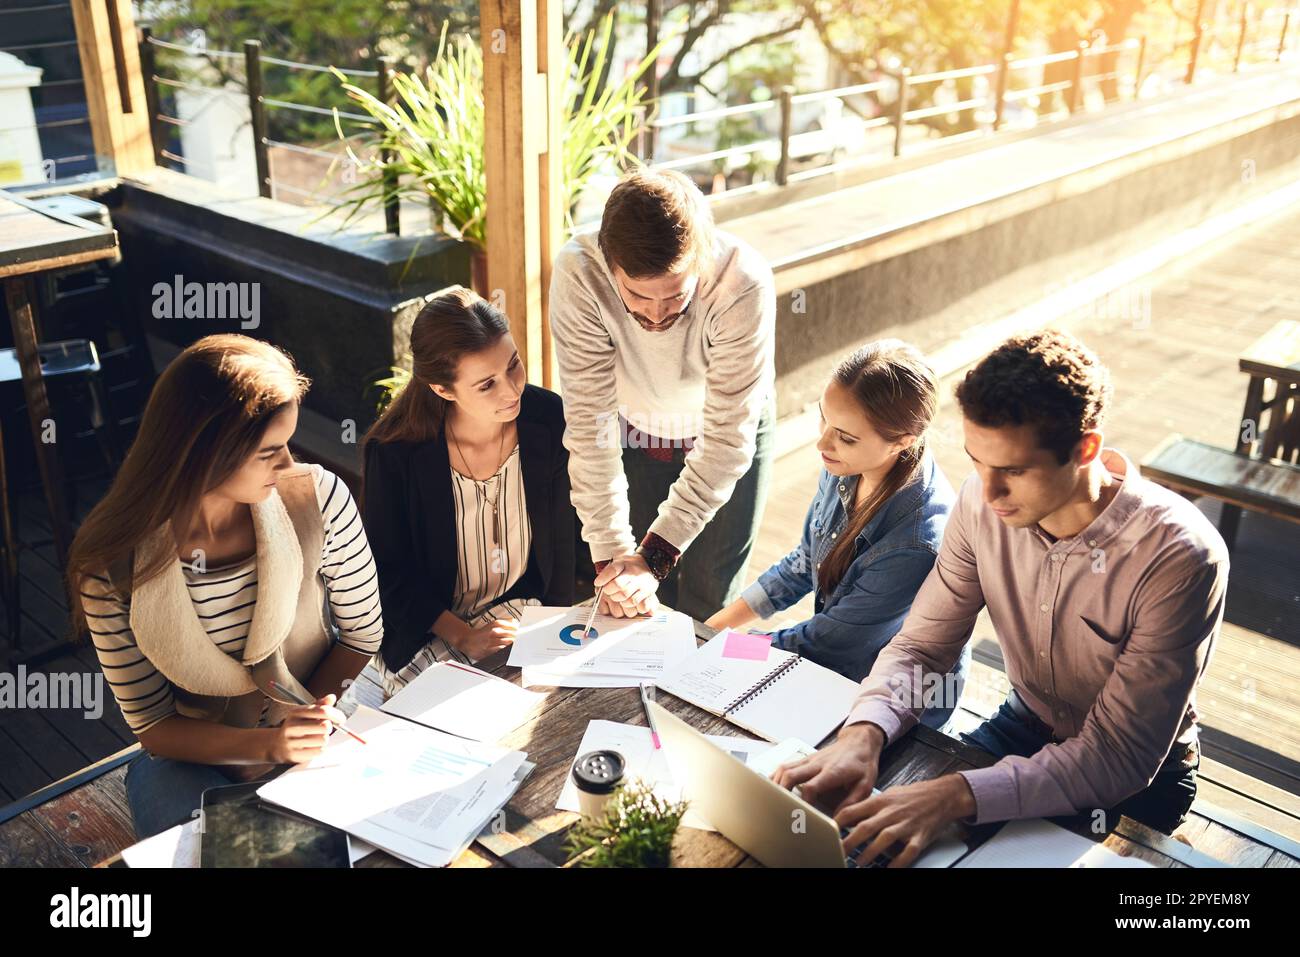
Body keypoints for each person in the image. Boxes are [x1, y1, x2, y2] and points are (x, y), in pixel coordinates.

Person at [774, 330, 1228, 864]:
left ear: (1086, 449)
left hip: (1137, 782)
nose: (988, 495)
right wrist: (864, 731)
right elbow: (921, 648)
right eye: (976, 463)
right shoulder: (979, 503)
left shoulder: (1179, 556)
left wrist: (956, 794)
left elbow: (1118, 755)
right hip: (1020, 725)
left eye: (1012, 471)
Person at [71, 335, 382, 839]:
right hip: (191, 759)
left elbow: (362, 636)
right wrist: (263, 750)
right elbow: (153, 727)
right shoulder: (109, 566)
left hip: (319, 722)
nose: (287, 465)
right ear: (204, 452)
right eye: (269, 452)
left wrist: (305, 724)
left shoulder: (318, 497)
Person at [549, 167, 776, 622]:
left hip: (729, 435)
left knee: (711, 602)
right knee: (643, 605)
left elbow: (727, 442)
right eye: (637, 295)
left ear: (701, 259)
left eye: (675, 296)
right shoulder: (580, 273)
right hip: (635, 430)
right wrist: (614, 559)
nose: (655, 316)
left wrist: (653, 557)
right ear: (609, 262)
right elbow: (590, 426)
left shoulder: (742, 282)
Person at [705, 340, 968, 729]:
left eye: (845, 436)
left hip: (891, 709)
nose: (823, 442)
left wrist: (726, 651)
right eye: (823, 419)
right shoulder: (847, 464)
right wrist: (713, 628)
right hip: (835, 669)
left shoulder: (916, 544)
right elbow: (804, 563)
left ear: (903, 441)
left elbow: (828, 645)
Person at [362, 287, 578, 697]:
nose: (512, 391)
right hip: (428, 627)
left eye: (513, 365)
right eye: (486, 385)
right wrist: (462, 636)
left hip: (521, 609)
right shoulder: (394, 452)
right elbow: (388, 573)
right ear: (443, 390)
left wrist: (557, 624)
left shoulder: (548, 418)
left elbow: (563, 537)